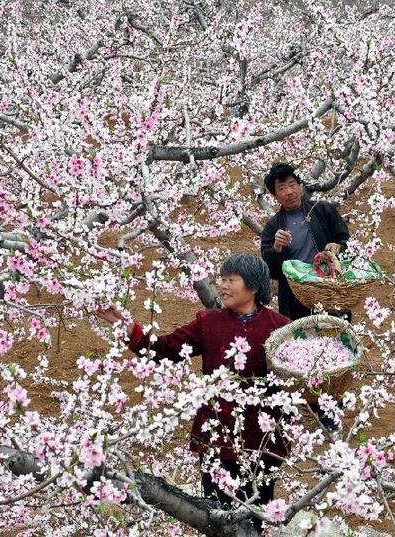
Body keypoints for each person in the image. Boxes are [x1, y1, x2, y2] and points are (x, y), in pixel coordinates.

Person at [98, 254, 290, 531]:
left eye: (230, 280)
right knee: (214, 515)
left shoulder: (280, 327)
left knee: (256, 517)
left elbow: (300, 376)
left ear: (254, 287)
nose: (222, 286)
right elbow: (163, 349)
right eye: (221, 279)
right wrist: (127, 328)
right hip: (217, 432)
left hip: (261, 438)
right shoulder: (208, 322)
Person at [260, 162, 351, 321]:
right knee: (302, 343)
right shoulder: (272, 227)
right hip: (296, 300)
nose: (289, 192)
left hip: (330, 292)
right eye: (282, 188)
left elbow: (346, 242)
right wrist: (276, 248)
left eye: (292, 185)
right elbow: (272, 271)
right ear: (275, 195)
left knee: (335, 339)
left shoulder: (322, 210)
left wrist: (338, 247)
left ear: (300, 185)